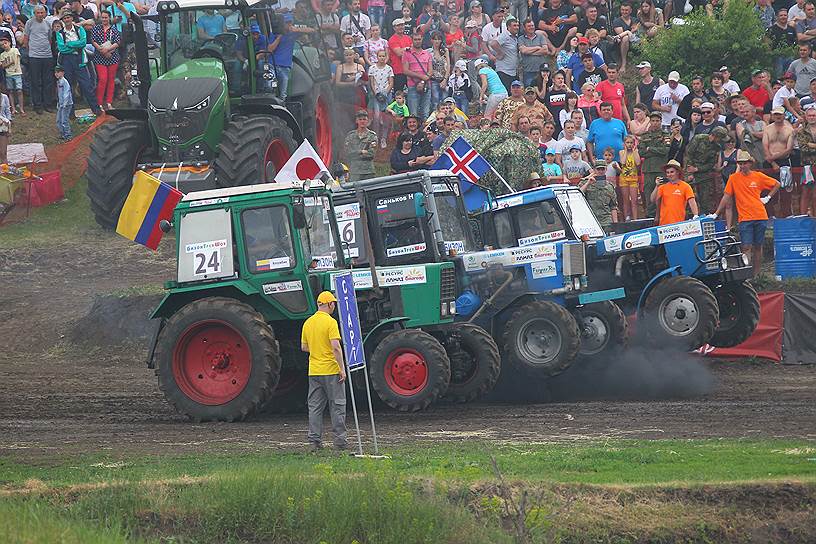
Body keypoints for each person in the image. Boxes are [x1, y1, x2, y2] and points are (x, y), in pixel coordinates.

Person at [713, 150, 781, 277]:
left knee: (758, 246)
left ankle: (756, 275)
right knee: (746, 246)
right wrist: (716, 213)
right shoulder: (733, 178)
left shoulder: (758, 176)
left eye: (745, 163)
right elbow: (726, 197)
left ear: (750, 164)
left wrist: (767, 198)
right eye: (741, 163)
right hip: (745, 218)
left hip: (760, 215)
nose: (743, 166)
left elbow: (777, 184)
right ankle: (746, 274)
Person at [301, 290, 347, 452]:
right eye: (333, 303)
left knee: (314, 407)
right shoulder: (330, 322)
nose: (334, 305)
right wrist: (341, 368)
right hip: (331, 370)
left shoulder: (308, 323)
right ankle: (340, 442)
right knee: (338, 405)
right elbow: (336, 347)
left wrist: (317, 350)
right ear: (329, 304)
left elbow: (304, 347)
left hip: (314, 372)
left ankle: (314, 442)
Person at [55, 11, 100, 115]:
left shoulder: (80, 29)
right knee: (68, 86)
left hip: (79, 59)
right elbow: (62, 49)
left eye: (68, 17)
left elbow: (83, 43)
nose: (67, 20)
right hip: (66, 61)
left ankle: (96, 109)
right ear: (63, 20)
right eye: (65, 18)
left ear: (72, 18)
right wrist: (76, 46)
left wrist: (70, 44)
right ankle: (70, 112)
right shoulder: (60, 33)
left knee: (86, 84)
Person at [684, 125, 728, 213]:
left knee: (706, 200)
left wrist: (697, 169)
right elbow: (688, 154)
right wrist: (690, 171)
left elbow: (711, 164)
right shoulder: (698, 139)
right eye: (720, 138)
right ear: (715, 136)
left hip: (704, 174)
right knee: (690, 197)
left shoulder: (717, 147)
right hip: (690, 170)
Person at [763, 106, 795, 217]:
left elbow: (788, 149)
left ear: (784, 115)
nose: (777, 116)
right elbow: (765, 147)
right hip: (769, 161)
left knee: (785, 189)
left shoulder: (789, 129)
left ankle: (786, 214)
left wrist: (774, 158)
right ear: (772, 115)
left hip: (784, 161)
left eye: (780, 114)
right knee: (768, 189)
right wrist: (772, 161)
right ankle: (770, 215)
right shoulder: (767, 129)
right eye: (775, 114)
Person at [24, 5, 53, 114]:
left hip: (47, 56)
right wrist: (30, 51)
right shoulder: (29, 23)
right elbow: (26, 39)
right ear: (34, 13)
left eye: (42, 12)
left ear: (45, 13)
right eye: (38, 13)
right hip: (34, 56)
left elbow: (49, 38)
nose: (40, 14)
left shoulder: (47, 24)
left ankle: (48, 104)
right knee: (35, 81)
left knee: (48, 81)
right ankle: (37, 105)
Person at [651, 159, 698, 226]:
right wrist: (656, 186)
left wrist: (695, 215)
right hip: (663, 224)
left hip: (679, 224)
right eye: (667, 172)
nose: (669, 174)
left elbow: (692, 201)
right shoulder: (662, 187)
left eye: (672, 172)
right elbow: (652, 200)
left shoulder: (685, 186)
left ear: (678, 172)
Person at [640, 110, 669, 216]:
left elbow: (665, 151)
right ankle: (650, 215)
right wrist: (655, 150)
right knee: (649, 193)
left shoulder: (665, 134)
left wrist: (650, 149)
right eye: (653, 121)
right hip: (648, 169)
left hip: (661, 168)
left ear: (661, 121)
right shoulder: (645, 136)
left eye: (657, 120)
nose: (655, 123)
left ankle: (664, 213)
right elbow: (642, 152)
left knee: (662, 192)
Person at [90, 10, 120, 112]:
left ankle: (109, 102)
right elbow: (93, 41)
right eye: (102, 17)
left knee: (111, 80)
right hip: (100, 58)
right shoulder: (96, 29)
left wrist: (108, 50)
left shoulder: (114, 30)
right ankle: (99, 103)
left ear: (109, 18)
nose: (104, 19)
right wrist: (102, 50)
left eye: (106, 17)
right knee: (103, 79)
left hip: (112, 57)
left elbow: (117, 42)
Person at [580, 159, 619, 230]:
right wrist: (588, 183)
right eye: (598, 169)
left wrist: (616, 225)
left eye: (602, 169)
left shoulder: (609, 186)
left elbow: (613, 206)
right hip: (591, 220)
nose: (600, 171)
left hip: (606, 221)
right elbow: (578, 196)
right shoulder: (585, 183)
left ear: (606, 169)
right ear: (594, 170)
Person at [403, 31, 432, 120]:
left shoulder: (427, 54)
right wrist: (421, 77)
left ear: (422, 39)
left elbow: (430, 71)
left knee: (425, 113)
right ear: (412, 40)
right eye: (415, 40)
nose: (417, 41)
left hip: (426, 86)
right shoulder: (407, 54)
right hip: (412, 86)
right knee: (413, 114)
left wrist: (423, 81)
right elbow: (405, 70)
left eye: (419, 39)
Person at [368, 49, 394, 148]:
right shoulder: (372, 68)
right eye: (380, 56)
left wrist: (385, 94)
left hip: (386, 95)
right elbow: (372, 82)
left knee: (386, 117)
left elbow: (391, 83)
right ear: (377, 57)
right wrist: (377, 94)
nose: (382, 58)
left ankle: (383, 138)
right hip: (376, 95)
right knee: (377, 117)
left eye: (384, 56)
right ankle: (376, 138)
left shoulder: (389, 69)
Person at [344, 110, 378, 181]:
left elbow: (371, 154)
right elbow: (348, 153)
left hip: (368, 171)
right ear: (356, 121)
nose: (362, 121)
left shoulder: (372, 136)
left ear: (367, 121)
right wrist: (361, 151)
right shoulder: (351, 136)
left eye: (364, 119)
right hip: (354, 171)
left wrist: (355, 153)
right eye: (360, 119)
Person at [490, 15, 520, 92]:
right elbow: (493, 43)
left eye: (517, 25)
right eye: (514, 25)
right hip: (504, 71)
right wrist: (501, 53)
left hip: (513, 72)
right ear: (508, 27)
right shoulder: (505, 35)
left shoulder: (515, 37)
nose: (516, 27)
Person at [518, 18, 550, 87]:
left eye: (532, 25)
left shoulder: (541, 36)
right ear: (524, 28)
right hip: (528, 71)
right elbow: (523, 51)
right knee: (529, 91)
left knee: (543, 89)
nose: (531, 27)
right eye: (529, 26)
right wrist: (537, 47)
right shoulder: (521, 39)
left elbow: (545, 50)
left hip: (541, 70)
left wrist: (529, 52)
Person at [611, 2, 639, 73]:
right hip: (620, 43)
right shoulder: (617, 21)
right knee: (625, 38)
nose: (624, 12)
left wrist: (627, 32)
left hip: (635, 41)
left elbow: (636, 30)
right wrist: (628, 32)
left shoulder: (635, 20)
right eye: (622, 10)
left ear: (630, 11)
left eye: (626, 10)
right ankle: (623, 63)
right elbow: (621, 33)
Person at [798, 107, 816, 216]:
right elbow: (803, 148)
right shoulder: (801, 131)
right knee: (806, 192)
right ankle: (803, 216)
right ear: (806, 117)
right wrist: (808, 145)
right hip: (807, 165)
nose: (812, 118)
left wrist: (811, 145)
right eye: (810, 115)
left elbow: (808, 146)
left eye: (814, 115)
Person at [618, 134, 640, 220]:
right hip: (624, 179)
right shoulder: (621, 152)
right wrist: (626, 151)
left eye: (631, 143)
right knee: (625, 200)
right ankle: (627, 217)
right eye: (627, 142)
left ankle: (635, 219)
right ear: (624, 143)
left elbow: (638, 163)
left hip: (633, 179)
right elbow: (623, 162)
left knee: (634, 200)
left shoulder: (636, 152)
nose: (629, 144)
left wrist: (634, 151)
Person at [0, 36, 22, 115]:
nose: (4, 45)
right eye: (2, 45)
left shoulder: (15, 50)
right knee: (11, 91)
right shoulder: (2, 55)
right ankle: (12, 108)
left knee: (19, 90)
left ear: (9, 43)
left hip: (17, 73)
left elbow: (16, 60)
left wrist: (9, 64)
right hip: (8, 74)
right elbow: (2, 66)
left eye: (5, 43)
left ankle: (21, 108)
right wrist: (9, 63)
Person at [388, 18, 412, 91]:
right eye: (398, 25)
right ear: (394, 28)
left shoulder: (408, 38)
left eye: (402, 25)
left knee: (411, 93)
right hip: (398, 71)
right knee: (398, 93)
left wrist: (404, 50)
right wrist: (408, 49)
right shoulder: (392, 39)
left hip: (409, 70)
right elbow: (399, 53)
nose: (401, 27)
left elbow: (413, 51)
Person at [54, 64, 72, 140]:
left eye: (58, 72)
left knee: (64, 120)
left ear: (63, 72)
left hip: (66, 104)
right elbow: (59, 93)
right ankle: (62, 134)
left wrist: (64, 103)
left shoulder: (65, 82)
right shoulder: (58, 82)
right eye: (55, 72)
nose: (56, 74)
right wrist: (59, 103)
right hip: (61, 104)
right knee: (58, 120)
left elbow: (66, 93)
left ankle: (68, 135)